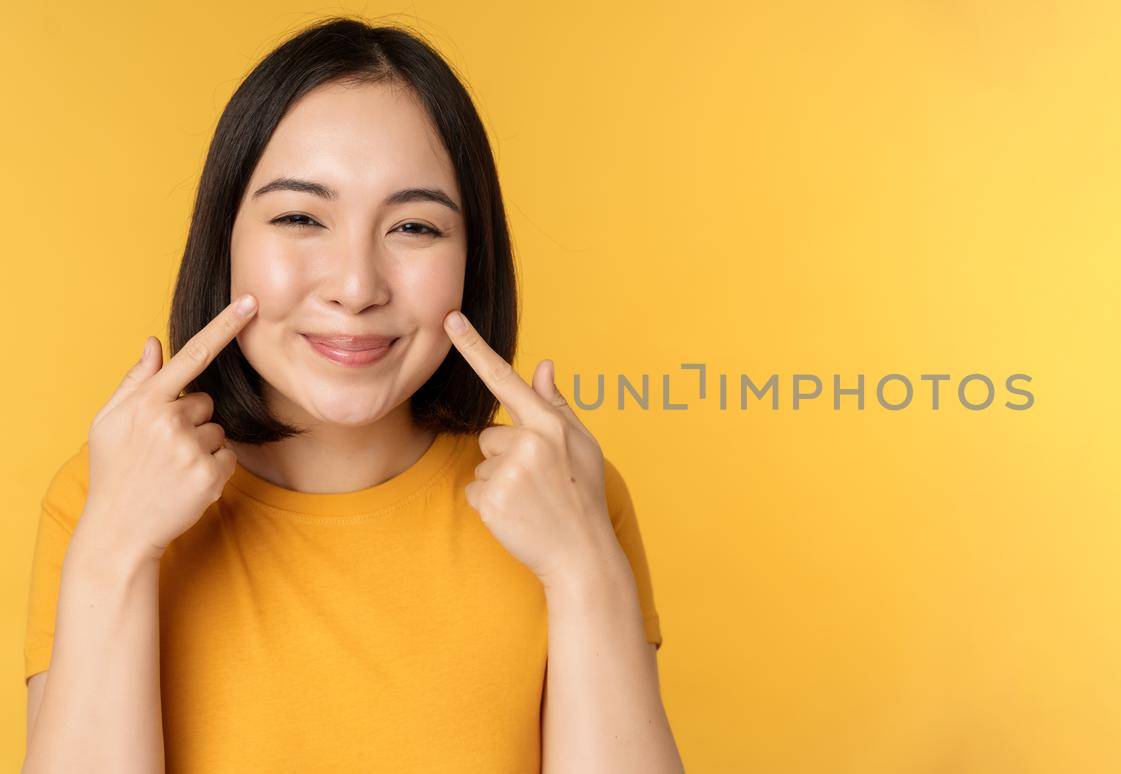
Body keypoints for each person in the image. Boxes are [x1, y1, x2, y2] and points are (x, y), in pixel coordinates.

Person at [21, 17, 683, 773]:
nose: (357, 287)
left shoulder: (567, 493)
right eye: (301, 217)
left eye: (413, 226)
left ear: (475, 257)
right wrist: (115, 548)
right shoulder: (101, 494)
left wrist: (583, 566)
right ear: (224, 238)